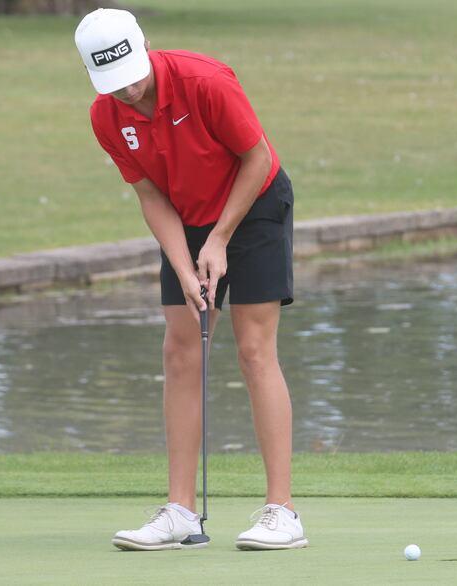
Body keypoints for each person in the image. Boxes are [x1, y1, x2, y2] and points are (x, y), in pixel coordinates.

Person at [74, 8, 306, 551]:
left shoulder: (204, 81)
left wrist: (220, 240)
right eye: (113, 82)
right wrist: (183, 263)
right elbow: (150, 194)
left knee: (253, 348)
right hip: (185, 215)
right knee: (181, 350)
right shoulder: (106, 115)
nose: (128, 89)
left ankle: (283, 511)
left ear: (145, 46)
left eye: (132, 72)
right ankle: (180, 510)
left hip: (254, 204)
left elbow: (257, 158)